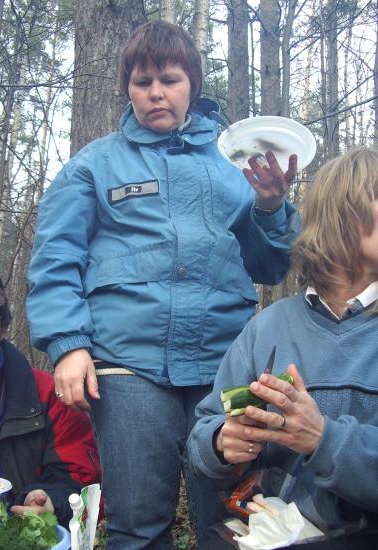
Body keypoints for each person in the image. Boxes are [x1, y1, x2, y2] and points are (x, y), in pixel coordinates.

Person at [26, 20, 300, 549]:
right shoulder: (94, 164)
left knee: (232, 523)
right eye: (142, 80)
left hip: (224, 367)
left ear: (191, 86)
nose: (155, 92)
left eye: (169, 79)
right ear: (128, 87)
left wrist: (269, 208)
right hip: (128, 367)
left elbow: (268, 267)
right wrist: (68, 345)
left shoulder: (230, 168)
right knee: (138, 524)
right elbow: (56, 259)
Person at [187, 147, 378, 534]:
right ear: (342, 217)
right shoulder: (268, 327)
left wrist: (324, 439)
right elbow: (203, 435)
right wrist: (223, 443)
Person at [0, 263, 101, 527]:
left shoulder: (49, 395)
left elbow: (81, 481)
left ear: (3, 328)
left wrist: (52, 501)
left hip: (16, 538)